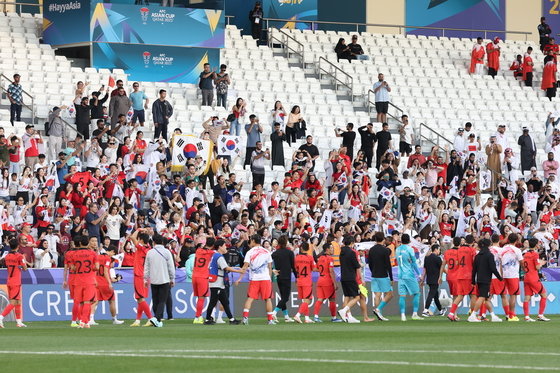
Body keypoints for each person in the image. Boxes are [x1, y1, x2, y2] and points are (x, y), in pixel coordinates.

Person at [235, 234, 276, 325]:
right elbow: (270, 267)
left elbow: (245, 267)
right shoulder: (267, 251)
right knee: (268, 299)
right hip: (265, 279)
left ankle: (245, 318)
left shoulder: (250, 252)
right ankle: (270, 320)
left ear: (253, 240)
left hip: (254, 279)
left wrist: (239, 278)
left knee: (250, 298)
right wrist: (269, 278)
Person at [204, 239, 242, 325]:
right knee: (213, 302)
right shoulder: (219, 256)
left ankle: (231, 319)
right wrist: (239, 271)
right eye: (224, 246)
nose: (226, 248)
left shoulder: (214, 255)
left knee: (225, 302)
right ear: (220, 247)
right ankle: (207, 319)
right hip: (217, 282)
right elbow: (226, 268)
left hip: (217, 282)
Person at [468, 238, 503, 323]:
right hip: (486, 279)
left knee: (486, 298)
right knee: (482, 297)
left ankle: (493, 315)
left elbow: (474, 270)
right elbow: (493, 268)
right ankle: (473, 315)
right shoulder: (489, 255)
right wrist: (500, 278)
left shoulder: (477, 256)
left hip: (479, 279)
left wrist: (473, 281)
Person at [144, 235, 175, 327]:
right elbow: (171, 267)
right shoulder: (167, 252)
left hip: (153, 280)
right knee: (162, 300)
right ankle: (157, 318)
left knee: (155, 300)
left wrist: (145, 278)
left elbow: (146, 267)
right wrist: (172, 278)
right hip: (164, 279)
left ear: (153, 242)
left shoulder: (150, 252)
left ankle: (157, 319)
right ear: (162, 242)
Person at [72, 235, 100, 328]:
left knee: (80, 302)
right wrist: (91, 268)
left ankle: (84, 322)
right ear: (88, 243)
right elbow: (97, 267)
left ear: (80, 243)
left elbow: (73, 268)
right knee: (88, 302)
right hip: (89, 280)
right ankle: (84, 322)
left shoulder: (74, 254)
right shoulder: (93, 254)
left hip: (78, 280)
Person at [129, 229, 156, 327]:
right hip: (146, 276)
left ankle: (151, 318)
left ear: (140, 240)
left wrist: (139, 229)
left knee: (140, 298)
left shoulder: (140, 248)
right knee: (141, 298)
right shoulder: (149, 248)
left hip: (139, 275)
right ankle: (138, 320)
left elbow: (131, 237)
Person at [0, 239, 27, 328]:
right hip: (16, 281)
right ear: (18, 246)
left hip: (9, 280)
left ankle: (19, 322)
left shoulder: (7, 256)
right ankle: (1, 318)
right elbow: (25, 268)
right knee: (13, 302)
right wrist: (23, 260)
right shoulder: (19, 256)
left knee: (18, 301)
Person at [395, 234, 423, 321]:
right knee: (417, 293)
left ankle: (403, 315)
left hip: (400, 275)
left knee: (402, 295)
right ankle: (414, 314)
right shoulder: (410, 249)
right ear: (409, 241)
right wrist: (419, 274)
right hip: (409, 274)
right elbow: (414, 263)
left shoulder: (397, 249)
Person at [94, 245, 123, 325]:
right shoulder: (107, 258)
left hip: (96, 281)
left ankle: (90, 318)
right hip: (105, 283)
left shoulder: (97, 256)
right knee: (111, 300)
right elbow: (106, 271)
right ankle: (114, 319)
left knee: (95, 301)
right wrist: (110, 283)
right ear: (112, 251)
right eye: (114, 254)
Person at [522, 238, 550, 322]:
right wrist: (541, 263)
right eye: (538, 243)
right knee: (544, 295)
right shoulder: (535, 254)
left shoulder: (525, 254)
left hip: (526, 277)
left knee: (527, 298)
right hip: (533, 278)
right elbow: (537, 267)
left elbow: (523, 266)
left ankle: (527, 317)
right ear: (536, 245)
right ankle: (540, 315)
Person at [313, 243, 342, 322]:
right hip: (327, 281)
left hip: (320, 280)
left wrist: (323, 270)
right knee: (332, 299)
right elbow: (331, 271)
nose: (333, 249)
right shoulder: (330, 259)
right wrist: (335, 283)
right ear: (327, 249)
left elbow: (315, 269)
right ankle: (334, 317)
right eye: (331, 248)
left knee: (320, 299)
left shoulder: (320, 258)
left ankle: (315, 316)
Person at [368, 231, 393, 321]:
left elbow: (369, 263)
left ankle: (379, 315)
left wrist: (372, 271)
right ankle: (378, 310)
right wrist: (391, 277)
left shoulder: (371, 250)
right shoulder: (385, 250)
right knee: (390, 294)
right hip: (383, 275)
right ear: (383, 239)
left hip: (374, 274)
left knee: (377, 295)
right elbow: (388, 265)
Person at [337, 235, 361, 323]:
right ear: (351, 243)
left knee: (347, 297)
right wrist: (361, 278)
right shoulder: (351, 252)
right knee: (357, 297)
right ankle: (344, 311)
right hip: (351, 277)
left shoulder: (341, 252)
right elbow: (356, 265)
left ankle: (349, 316)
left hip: (343, 277)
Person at [271, 235, 296, 322]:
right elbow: (293, 266)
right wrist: (297, 277)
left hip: (279, 277)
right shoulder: (290, 253)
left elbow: (268, 262)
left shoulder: (275, 253)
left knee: (283, 297)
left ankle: (286, 316)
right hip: (286, 277)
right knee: (285, 298)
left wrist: (272, 269)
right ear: (286, 242)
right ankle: (274, 313)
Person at [192, 237, 216, 324]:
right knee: (202, 298)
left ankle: (198, 316)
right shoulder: (211, 253)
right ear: (213, 245)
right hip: (203, 277)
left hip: (194, 276)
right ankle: (197, 317)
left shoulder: (198, 250)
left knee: (199, 298)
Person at [501, 233, 523, 322]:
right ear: (517, 241)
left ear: (508, 240)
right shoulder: (517, 250)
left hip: (503, 274)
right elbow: (522, 262)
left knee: (503, 295)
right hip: (513, 275)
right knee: (513, 295)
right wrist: (525, 271)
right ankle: (511, 315)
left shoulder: (503, 249)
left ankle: (482, 314)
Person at [293, 243, 315, 323]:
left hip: (299, 280)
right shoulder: (310, 258)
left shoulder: (297, 258)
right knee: (307, 300)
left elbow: (295, 269)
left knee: (304, 300)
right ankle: (298, 315)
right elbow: (313, 268)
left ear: (301, 248)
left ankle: (306, 318)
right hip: (307, 280)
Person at [421, 244, 445, 317]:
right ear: (436, 249)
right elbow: (442, 268)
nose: (439, 251)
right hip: (436, 279)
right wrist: (449, 274)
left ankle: (441, 310)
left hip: (429, 279)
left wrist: (423, 279)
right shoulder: (437, 259)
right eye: (439, 249)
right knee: (431, 294)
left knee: (435, 295)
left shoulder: (427, 258)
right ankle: (425, 310)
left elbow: (424, 270)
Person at [439, 237, 460, 321]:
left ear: (453, 243)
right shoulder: (460, 252)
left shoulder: (447, 252)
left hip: (449, 276)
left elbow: (443, 265)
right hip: (458, 276)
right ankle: (454, 314)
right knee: (458, 296)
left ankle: (454, 314)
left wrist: (440, 276)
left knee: (455, 295)